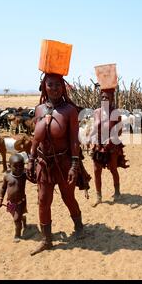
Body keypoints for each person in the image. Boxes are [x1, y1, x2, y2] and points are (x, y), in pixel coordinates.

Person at [27, 73, 89, 256]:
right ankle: (46, 240)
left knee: (68, 197)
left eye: (58, 85)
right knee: (43, 200)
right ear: (44, 87)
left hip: (63, 163)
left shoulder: (69, 110)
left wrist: (74, 165)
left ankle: (79, 228)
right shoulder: (39, 109)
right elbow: (35, 139)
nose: (54, 88)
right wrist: (30, 160)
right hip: (43, 163)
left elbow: (74, 141)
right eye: (50, 84)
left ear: (63, 87)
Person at [90, 89, 129, 207]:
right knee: (97, 171)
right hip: (98, 145)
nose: (104, 99)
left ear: (112, 99)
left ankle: (117, 192)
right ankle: (98, 196)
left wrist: (111, 139)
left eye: (107, 97)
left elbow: (120, 131)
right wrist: (90, 139)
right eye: (102, 97)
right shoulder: (96, 112)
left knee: (113, 169)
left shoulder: (116, 113)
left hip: (112, 146)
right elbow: (94, 128)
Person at [0, 154, 29, 243]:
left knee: (16, 219)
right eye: (15, 166)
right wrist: (0, 199)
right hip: (10, 203)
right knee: (15, 215)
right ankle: (23, 219)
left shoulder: (24, 175)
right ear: (9, 166)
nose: (19, 168)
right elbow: (3, 188)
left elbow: (33, 178)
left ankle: (17, 234)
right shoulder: (7, 177)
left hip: (20, 202)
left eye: (21, 166)